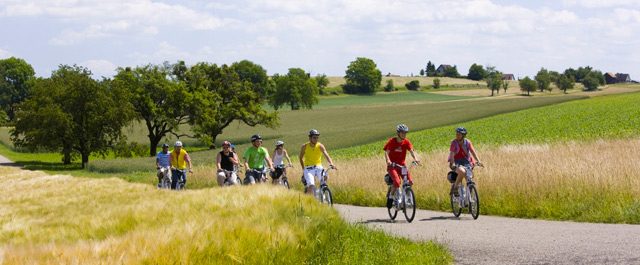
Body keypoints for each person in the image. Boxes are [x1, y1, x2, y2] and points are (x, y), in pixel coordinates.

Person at [384, 124, 420, 208]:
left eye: (405, 133)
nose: (404, 135)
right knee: (397, 182)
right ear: (398, 133)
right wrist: (388, 161)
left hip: (402, 165)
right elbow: (386, 152)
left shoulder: (406, 142)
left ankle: (407, 198)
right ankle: (390, 197)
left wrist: (416, 159)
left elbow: (411, 151)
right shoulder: (392, 141)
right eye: (402, 133)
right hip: (392, 166)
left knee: (410, 181)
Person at [448, 127, 483, 196]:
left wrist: (479, 161)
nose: (457, 136)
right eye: (457, 134)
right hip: (456, 161)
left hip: (466, 161)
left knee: (469, 181)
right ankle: (455, 188)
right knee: (462, 172)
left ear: (463, 135)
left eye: (459, 134)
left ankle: (470, 203)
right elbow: (452, 153)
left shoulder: (468, 142)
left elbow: (473, 152)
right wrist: (453, 163)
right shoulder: (454, 142)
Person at [300, 130, 336, 195]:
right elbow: (300, 158)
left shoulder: (320, 146)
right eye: (314, 137)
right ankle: (309, 201)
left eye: (317, 137)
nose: (316, 139)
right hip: (308, 168)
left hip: (318, 167)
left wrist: (331, 163)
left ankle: (320, 192)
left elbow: (327, 155)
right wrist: (303, 169)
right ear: (310, 138)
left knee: (325, 177)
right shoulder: (305, 146)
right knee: (311, 184)